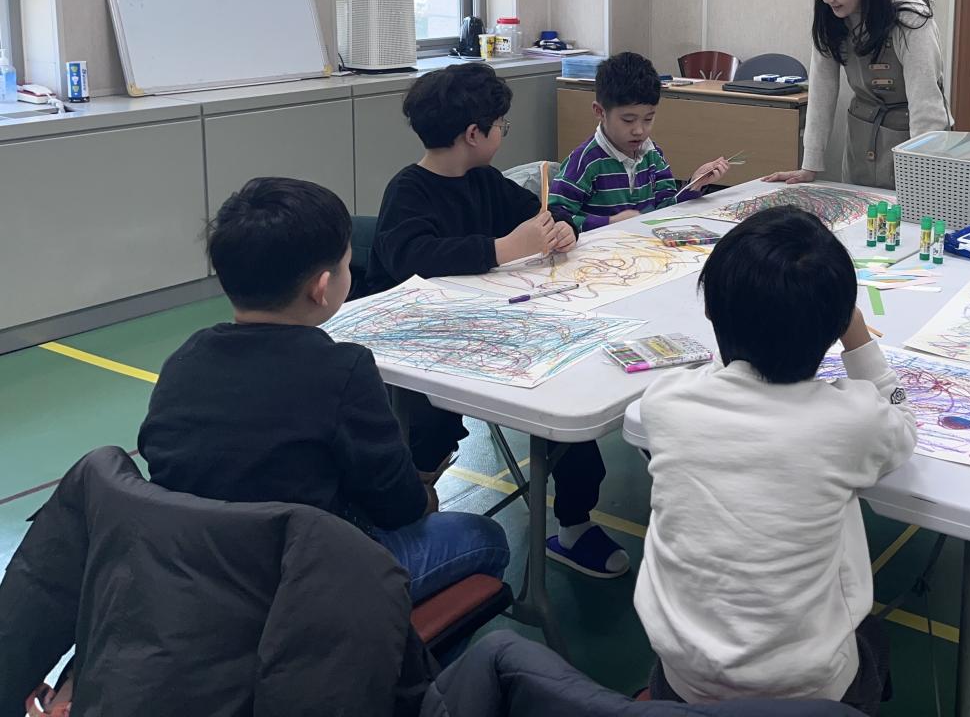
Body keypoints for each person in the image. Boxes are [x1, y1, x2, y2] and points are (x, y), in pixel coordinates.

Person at [137, 177, 509, 603]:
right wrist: (423, 493)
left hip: (194, 571)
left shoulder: (185, 359)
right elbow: (399, 507)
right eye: (348, 265)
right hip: (306, 579)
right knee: (485, 536)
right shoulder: (342, 370)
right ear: (321, 287)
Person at [633, 208, 918, 711]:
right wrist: (857, 337)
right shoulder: (852, 421)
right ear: (835, 325)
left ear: (710, 311)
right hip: (809, 693)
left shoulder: (665, 401)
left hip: (682, 683)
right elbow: (904, 427)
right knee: (873, 638)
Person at [369, 62, 627, 580]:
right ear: (474, 133)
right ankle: (411, 498)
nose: (503, 133)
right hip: (425, 348)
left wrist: (562, 228)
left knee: (567, 405)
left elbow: (542, 213)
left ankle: (574, 526)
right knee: (432, 425)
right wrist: (502, 248)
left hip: (501, 331)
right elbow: (412, 257)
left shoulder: (485, 181)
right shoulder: (409, 191)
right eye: (500, 125)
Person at [765, 0, 950, 189]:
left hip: (910, 139)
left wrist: (924, 176)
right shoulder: (830, 15)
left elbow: (926, 103)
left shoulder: (908, 15)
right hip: (861, 136)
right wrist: (809, 165)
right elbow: (822, 90)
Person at [546, 51, 730, 232]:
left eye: (648, 119)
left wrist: (694, 184)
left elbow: (665, 207)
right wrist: (609, 222)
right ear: (600, 112)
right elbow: (555, 218)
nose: (639, 130)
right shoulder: (585, 162)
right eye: (628, 120)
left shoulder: (652, 154)